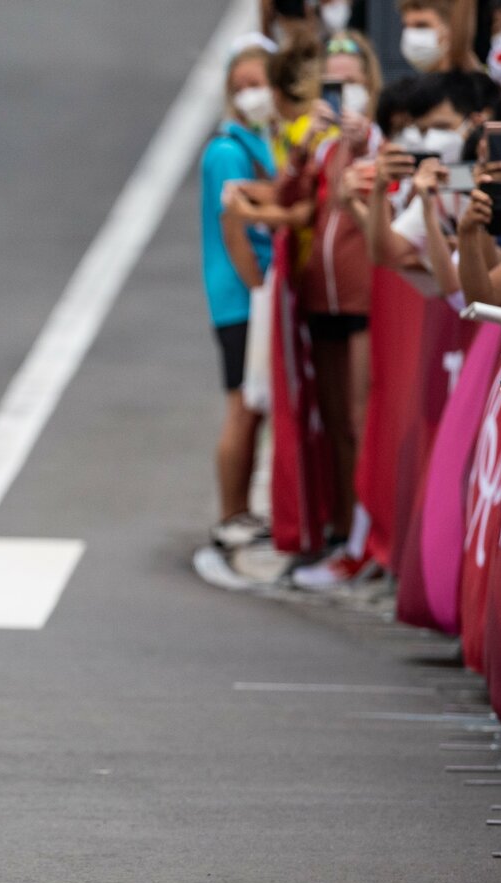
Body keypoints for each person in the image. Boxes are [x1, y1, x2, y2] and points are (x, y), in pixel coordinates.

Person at [274, 31, 384, 582]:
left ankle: (368, 542)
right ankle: (343, 532)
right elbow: (288, 206)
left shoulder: (380, 140)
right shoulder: (315, 144)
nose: (343, 94)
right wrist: (299, 155)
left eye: (352, 81)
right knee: (338, 422)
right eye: (333, 82)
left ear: (369, 85)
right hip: (320, 294)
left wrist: (366, 144)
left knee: (364, 420)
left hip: (366, 296)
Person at [201, 42, 279, 550]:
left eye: (260, 83)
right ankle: (231, 512)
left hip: (252, 293)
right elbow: (236, 219)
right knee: (243, 406)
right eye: (242, 85)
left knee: (255, 405)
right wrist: (258, 285)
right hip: (241, 296)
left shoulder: (260, 142)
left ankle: (243, 509)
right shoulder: (229, 150)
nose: (252, 94)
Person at [397, 0, 484, 73]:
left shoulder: (479, 89)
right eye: (405, 26)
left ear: (450, 27)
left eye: (421, 26)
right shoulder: (406, 90)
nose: (412, 34)